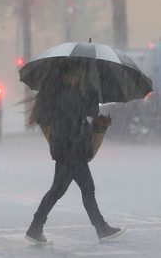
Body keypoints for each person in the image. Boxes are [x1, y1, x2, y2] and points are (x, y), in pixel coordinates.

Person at [26, 61, 125, 245]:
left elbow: (83, 116)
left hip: (68, 149)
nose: (79, 77)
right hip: (71, 150)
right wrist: (91, 95)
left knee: (61, 191)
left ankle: (35, 227)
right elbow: (84, 114)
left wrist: (93, 114)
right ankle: (101, 228)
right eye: (78, 74)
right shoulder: (68, 94)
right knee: (83, 190)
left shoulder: (63, 93)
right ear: (68, 75)